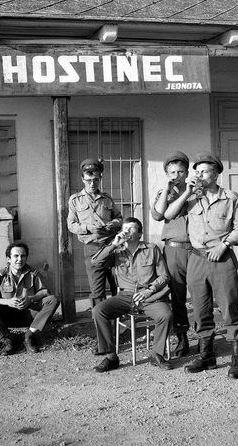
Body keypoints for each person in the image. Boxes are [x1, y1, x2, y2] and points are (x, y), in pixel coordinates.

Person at [165, 152, 238, 379]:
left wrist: (224, 245)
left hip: (222, 259)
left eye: (204, 170)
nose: (198, 174)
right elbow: (168, 213)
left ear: (216, 173)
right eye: (196, 171)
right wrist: (188, 193)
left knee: (229, 308)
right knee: (201, 310)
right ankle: (207, 355)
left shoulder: (231, 198)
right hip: (197, 260)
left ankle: (237, 359)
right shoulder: (192, 198)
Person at [90, 217, 173, 373]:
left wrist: (150, 290)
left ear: (140, 233)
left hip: (149, 296)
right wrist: (113, 244)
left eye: (132, 228)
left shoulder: (152, 248)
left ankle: (156, 355)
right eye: (125, 227)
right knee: (98, 310)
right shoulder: (116, 250)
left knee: (166, 315)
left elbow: (164, 276)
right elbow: (96, 263)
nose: (126, 230)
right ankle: (111, 357)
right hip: (125, 296)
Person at [0, 241, 60, 356]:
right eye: (16, 256)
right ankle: (9, 339)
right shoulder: (0, 275)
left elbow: (45, 292)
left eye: (23, 256)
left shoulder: (33, 274)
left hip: (28, 315)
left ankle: (28, 336)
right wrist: (7, 302)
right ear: (8, 259)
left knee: (53, 299)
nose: (19, 259)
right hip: (6, 316)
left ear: (26, 258)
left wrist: (31, 299)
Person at [150, 150, 191, 358]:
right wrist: (166, 190)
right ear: (167, 173)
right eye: (172, 171)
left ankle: (204, 336)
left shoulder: (195, 190)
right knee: (177, 296)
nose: (177, 175)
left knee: (203, 294)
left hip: (197, 248)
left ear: (187, 172)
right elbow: (157, 215)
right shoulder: (164, 193)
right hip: (174, 249)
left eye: (181, 171)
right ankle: (182, 337)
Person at [67, 158, 122, 309]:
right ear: (82, 179)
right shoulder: (75, 200)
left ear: (100, 179)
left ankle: (117, 321)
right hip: (92, 248)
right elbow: (71, 225)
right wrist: (88, 228)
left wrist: (113, 224)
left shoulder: (107, 198)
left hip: (112, 246)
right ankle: (102, 325)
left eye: (96, 180)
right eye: (89, 180)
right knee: (97, 290)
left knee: (117, 284)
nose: (92, 183)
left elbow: (119, 218)